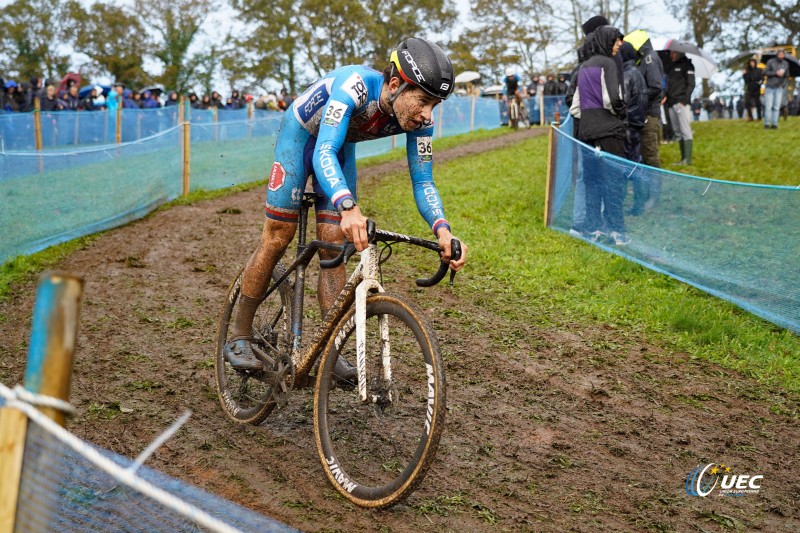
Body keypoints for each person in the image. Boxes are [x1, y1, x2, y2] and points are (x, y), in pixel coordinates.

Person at [223, 37, 468, 373]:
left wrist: (443, 230)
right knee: (279, 235)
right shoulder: (354, 87)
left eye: (435, 105)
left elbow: (423, 180)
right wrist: (349, 207)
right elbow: (322, 150)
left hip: (339, 148)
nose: (427, 113)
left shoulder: (420, 121)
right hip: (302, 140)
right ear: (395, 84)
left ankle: (329, 349)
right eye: (424, 101)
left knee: (333, 243)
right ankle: (239, 335)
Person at [569, 25, 629, 246]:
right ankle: (617, 231)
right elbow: (613, 99)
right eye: (616, 42)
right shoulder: (609, 64)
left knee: (592, 183)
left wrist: (589, 118)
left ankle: (593, 229)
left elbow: (575, 108)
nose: (619, 45)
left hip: (587, 133)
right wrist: (622, 115)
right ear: (607, 42)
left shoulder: (584, 67)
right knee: (614, 182)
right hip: (609, 132)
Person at [623, 30, 664, 209]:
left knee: (650, 155)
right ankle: (646, 194)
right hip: (644, 113)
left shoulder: (650, 59)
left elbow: (655, 87)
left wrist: (638, 95)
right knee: (643, 156)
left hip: (650, 114)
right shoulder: (644, 59)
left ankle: (654, 195)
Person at [619, 42, 648, 215]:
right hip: (637, 124)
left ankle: (634, 205)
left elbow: (622, 102)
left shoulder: (626, 75)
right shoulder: (637, 73)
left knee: (630, 167)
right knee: (636, 164)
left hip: (628, 126)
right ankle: (639, 204)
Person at [664, 50, 695, 164]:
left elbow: (691, 84)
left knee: (685, 130)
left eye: (673, 53)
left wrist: (684, 100)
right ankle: (683, 158)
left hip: (681, 102)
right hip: (672, 103)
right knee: (678, 131)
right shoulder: (672, 67)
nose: (671, 55)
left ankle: (688, 159)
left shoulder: (688, 65)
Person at [763, 49, 789, 129]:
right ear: (777, 54)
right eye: (780, 54)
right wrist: (775, 73)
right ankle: (767, 124)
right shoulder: (771, 62)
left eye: (782, 54)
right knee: (768, 106)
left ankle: (774, 124)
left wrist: (783, 84)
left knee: (776, 107)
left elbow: (786, 76)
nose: (781, 56)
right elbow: (765, 72)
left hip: (779, 87)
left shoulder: (785, 64)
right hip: (770, 87)